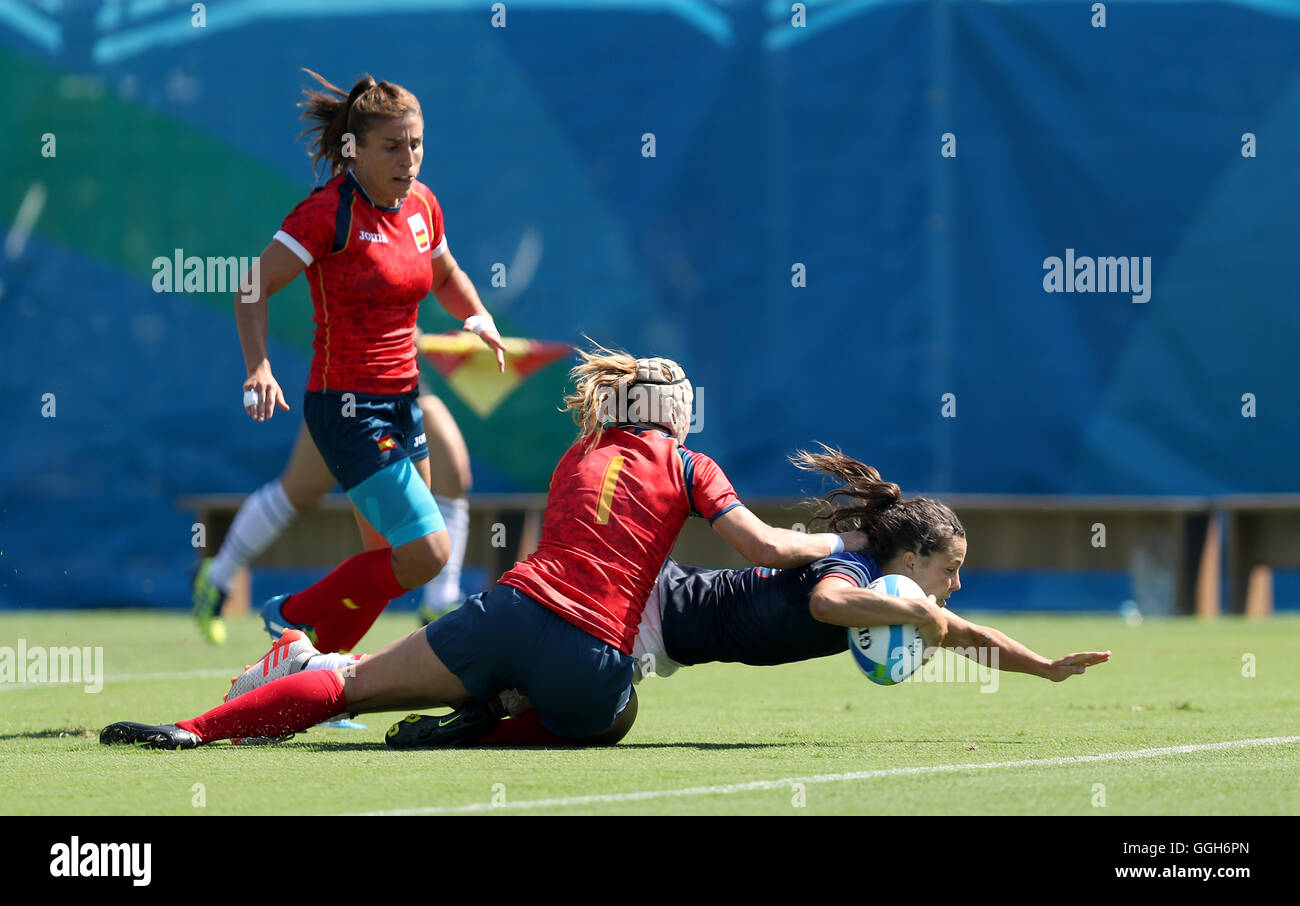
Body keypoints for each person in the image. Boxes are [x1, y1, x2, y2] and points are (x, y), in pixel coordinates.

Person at [100, 349, 871, 749]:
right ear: (675, 413)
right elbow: (762, 544)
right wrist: (847, 540)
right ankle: (488, 720)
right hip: (593, 663)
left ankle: (192, 732)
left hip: (511, 608)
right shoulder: (688, 463)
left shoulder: (577, 454)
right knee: (616, 715)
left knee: (351, 686)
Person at [372, 447, 1110, 746]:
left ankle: (465, 716)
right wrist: (921, 610)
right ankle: (442, 709)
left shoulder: (894, 592)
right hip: (649, 612)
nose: (953, 586)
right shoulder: (854, 573)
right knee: (586, 714)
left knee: (567, 705)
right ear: (911, 558)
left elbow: (963, 631)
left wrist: (1042, 666)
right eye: (949, 569)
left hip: (665, 632)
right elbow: (826, 606)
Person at [214, 69, 507, 659]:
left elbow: (444, 274)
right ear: (355, 148)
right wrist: (258, 367)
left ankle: (315, 680)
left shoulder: (422, 204)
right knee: (428, 551)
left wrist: (477, 315)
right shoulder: (329, 213)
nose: (410, 159)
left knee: (392, 559)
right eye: (393, 146)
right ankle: (291, 613)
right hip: (347, 409)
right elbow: (251, 288)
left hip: (403, 403)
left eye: (417, 143)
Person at [190, 372, 474, 646]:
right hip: (350, 390)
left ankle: (439, 601)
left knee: (452, 475)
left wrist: (475, 324)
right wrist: (258, 364)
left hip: (403, 381)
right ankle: (228, 584)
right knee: (302, 490)